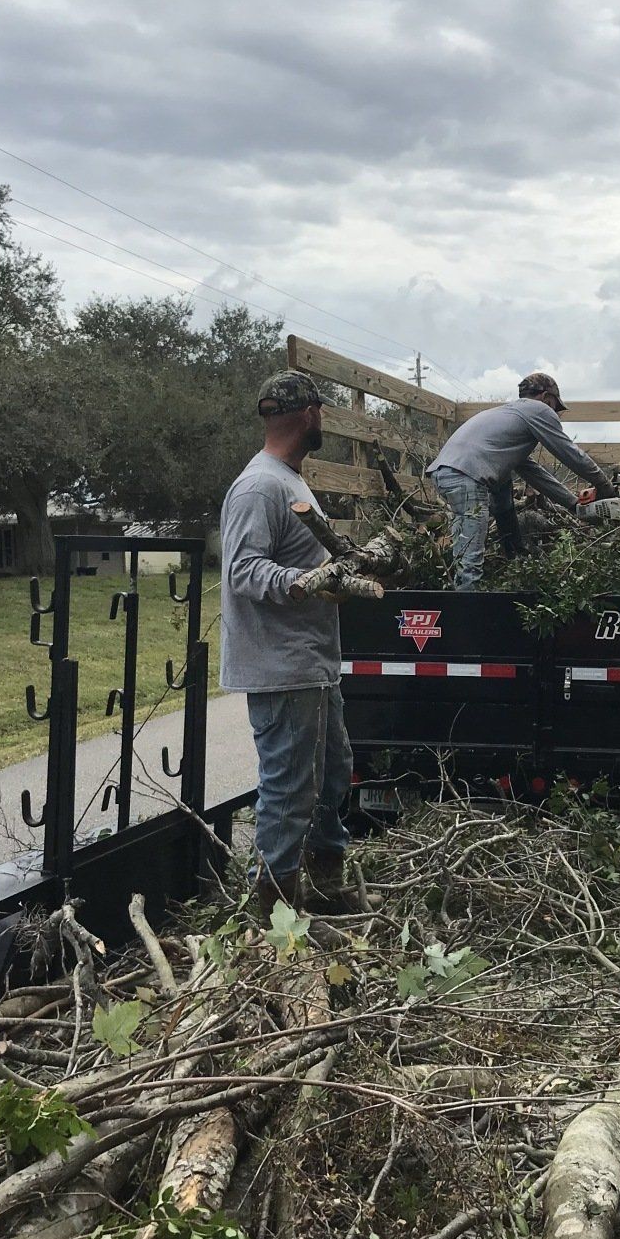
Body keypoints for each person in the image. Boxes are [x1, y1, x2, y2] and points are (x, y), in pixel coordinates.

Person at [218, 370, 364, 918]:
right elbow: (243, 571)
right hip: (282, 669)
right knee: (287, 789)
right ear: (309, 415)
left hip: (312, 662)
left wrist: (339, 571)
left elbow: (302, 560)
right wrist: (311, 581)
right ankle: (274, 914)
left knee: (331, 773)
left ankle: (325, 887)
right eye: (322, 413)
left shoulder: (290, 481)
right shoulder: (260, 486)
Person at [426, 371, 618, 588]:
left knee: (499, 492)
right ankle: (467, 613)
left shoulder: (507, 417)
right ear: (546, 398)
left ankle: (513, 554)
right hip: (467, 476)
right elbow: (570, 454)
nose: (555, 413)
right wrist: (604, 485)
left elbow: (532, 472)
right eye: (555, 407)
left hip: (445, 473)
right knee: (470, 561)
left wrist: (573, 505)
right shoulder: (538, 410)